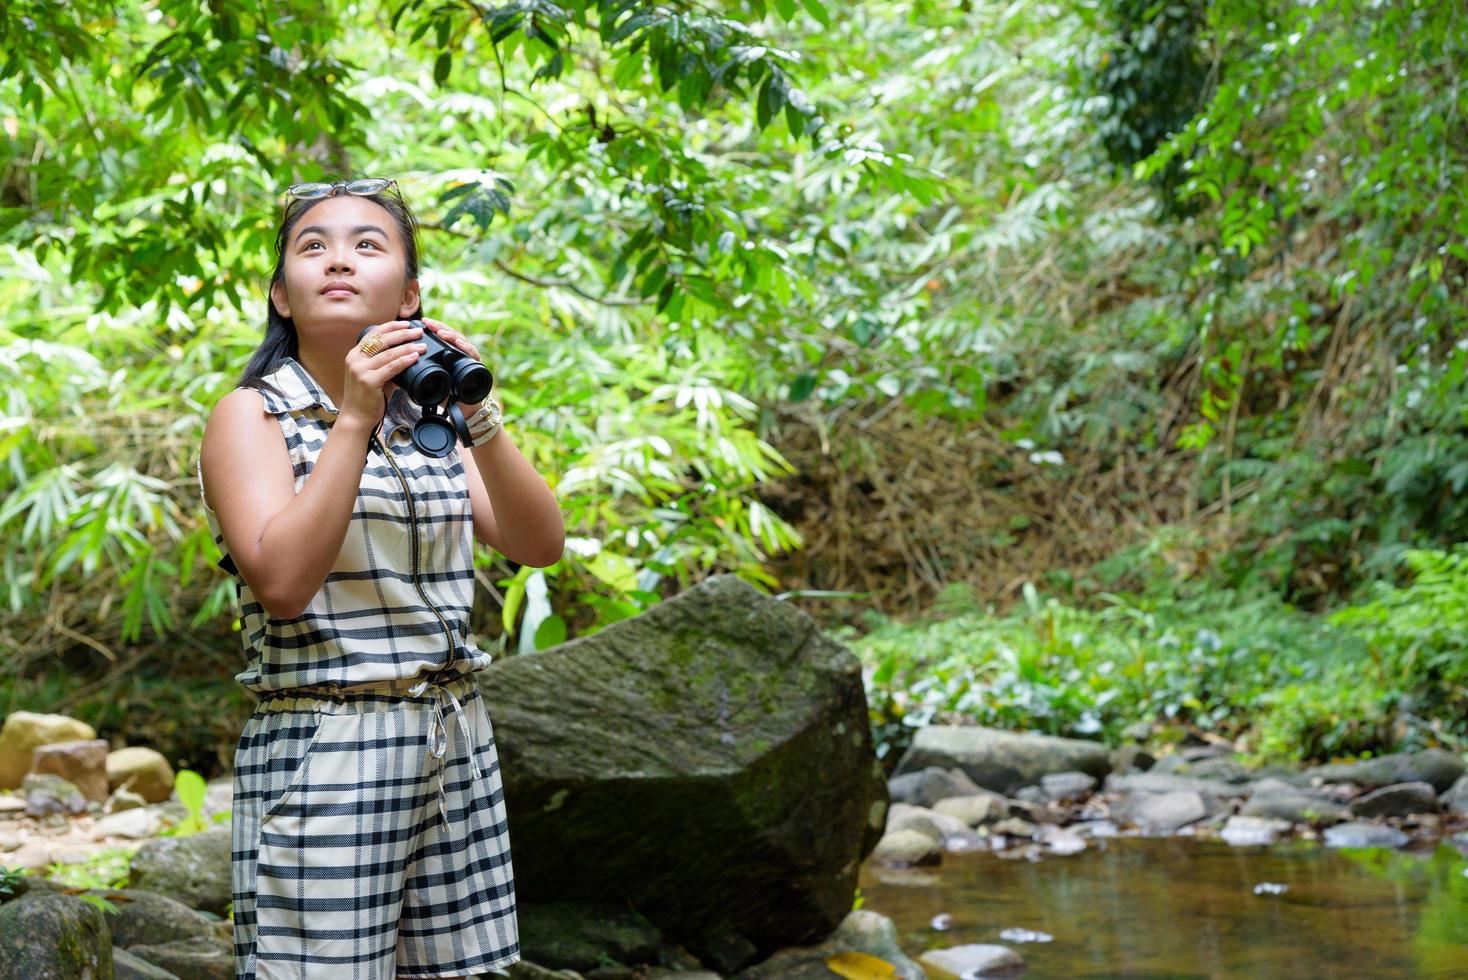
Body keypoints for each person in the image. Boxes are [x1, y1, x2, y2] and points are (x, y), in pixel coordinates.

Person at [197, 176, 564, 979]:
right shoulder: (252, 416)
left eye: (368, 245)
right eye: (312, 246)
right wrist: (354, 418)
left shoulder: (426, 419)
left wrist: (479, 416)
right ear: (280, 297)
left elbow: (539, 543)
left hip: (453, 731)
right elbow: (284, 585)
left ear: (409, 296)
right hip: (328, 738)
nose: (339, 261)